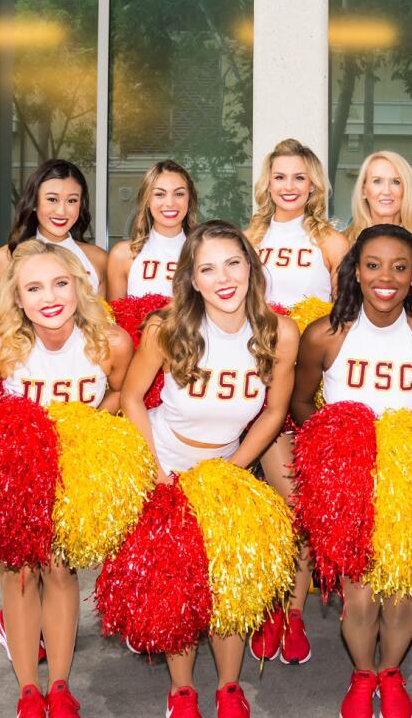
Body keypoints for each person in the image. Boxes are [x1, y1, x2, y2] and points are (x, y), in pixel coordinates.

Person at [121, 220, 299, 718]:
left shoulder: (279, 332)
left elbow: (273, 412)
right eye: (207, 268)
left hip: (225, 467)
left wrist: (234, 471)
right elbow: (133, 398)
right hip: (165, 464)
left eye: (233, 263)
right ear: (192, 279)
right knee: (177, 584)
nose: (223, 278)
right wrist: (155, 472)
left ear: (250, 267)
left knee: (229, 582)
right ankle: (181, 691)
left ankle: (228, 688)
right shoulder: (167, 327)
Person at [291, 224, 412, 718]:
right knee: (359, 594)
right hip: (345, 480)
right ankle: (364, 673)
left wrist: (407, 458)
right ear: (355, 272)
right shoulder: (323, 334)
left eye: (399, 267)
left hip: (404, 482)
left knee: (399, 593)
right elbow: (300, 403)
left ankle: (392, 672)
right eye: (374, 265)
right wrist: (335, 447)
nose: (386, 276)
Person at [0, 240, 133, 718]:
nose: (49, 297)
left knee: (62, 571)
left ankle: (59, 687)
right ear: (17, 298)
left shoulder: (111, 342)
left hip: (77, 473)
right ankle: (27, 690)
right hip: (20, 473)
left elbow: (123, 393)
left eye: (60, 283)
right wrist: (12, 439)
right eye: (34, 288)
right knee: (20, 574)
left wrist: (86, 431)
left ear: (79, 286)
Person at [242, 138, 349, 664]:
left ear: (314, 185)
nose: (288, 186)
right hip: (249, 379)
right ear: (268, 184)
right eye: (280, 177)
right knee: (254, 503)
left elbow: (344, 318)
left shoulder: (330, 241)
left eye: (299, 177)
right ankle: (264, 604)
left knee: (295, 503)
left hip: (304, 387)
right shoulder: (248, 237)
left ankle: (294, 613)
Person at [0, 159, 106, 332]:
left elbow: (107, 323)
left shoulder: (98, 258)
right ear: (34, 202)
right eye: (52, 199)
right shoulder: (6, 257)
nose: (61, 211)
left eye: (72, 201)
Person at [106, 159, 198, 300]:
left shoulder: (203, 252)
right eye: (159, 194)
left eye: (179, 194)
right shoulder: (123, 255)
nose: (170, 203)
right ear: (147, 200)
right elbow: (113, 319)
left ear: (189, 199)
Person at [343, 150, 412, 245]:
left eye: (396, 182)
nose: (386, 191)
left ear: (407, 190)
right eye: (377, 181)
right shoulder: (342, 244)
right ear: (363, 190)